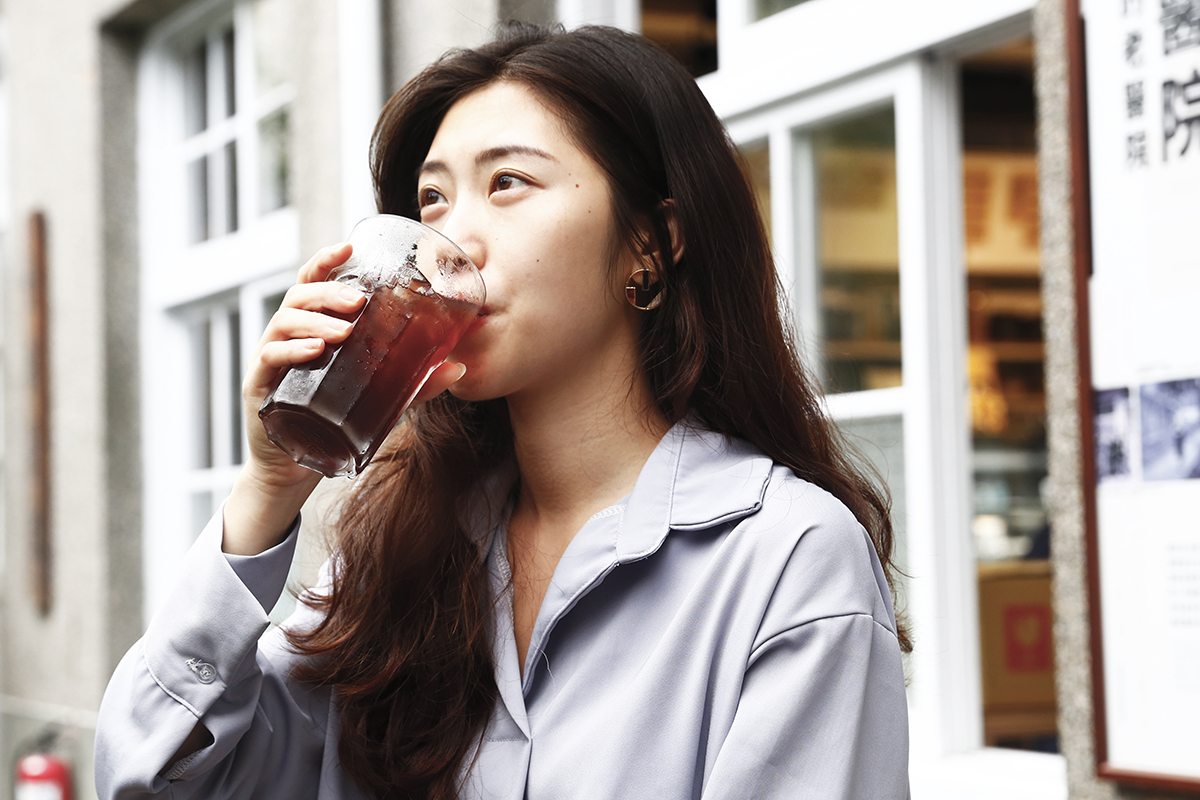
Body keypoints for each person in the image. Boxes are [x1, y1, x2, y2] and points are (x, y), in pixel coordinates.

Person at [96, 22, 911, 800]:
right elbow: (154, 777)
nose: (449, 243)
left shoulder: (789, 559)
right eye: (433, 200)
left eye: (508, 183)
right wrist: (268, 488)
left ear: (650, 246)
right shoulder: (393, 557)